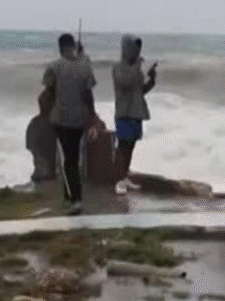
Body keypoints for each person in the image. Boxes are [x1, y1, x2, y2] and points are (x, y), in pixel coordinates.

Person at [42, 33, 103, 215]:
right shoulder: (84, 65)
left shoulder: (54, 66)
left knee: (67, 160)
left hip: (61, 119)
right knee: (76, 157)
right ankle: (71, 195)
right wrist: (92, 114)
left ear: (60, 47)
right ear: (74, 46)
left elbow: (49, 91)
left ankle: (75, 200)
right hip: (80, 119)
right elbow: (88, 94)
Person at [112, 34, 157, 195]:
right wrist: (138, 67)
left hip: (136, 112)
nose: (137, 52)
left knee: (131, 146)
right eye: (134, 48)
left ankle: (124, 176)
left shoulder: (136, 70)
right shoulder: (118, 67)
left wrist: (151, 80)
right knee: (123, 146)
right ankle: (118, 180)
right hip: (124, 113)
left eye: (138, 49)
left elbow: (139, 91)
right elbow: (125, 83)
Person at [25, 88, 57, 185]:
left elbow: (30, 146)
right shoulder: (59, 124)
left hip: (41, 175)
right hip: (48, 175)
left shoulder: (35, 123)